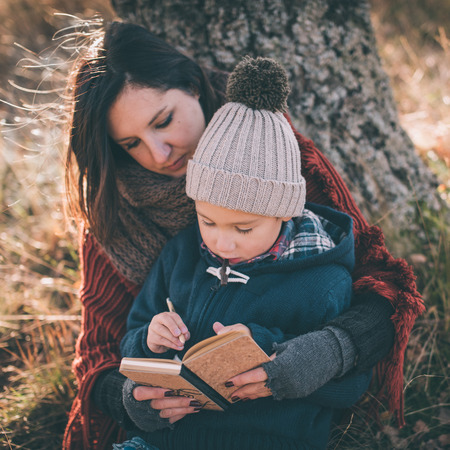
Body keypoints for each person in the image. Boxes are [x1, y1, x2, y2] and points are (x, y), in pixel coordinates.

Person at [62, 21, 424, 450]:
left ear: (194, 85)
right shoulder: (117, 207)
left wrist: (329, 351)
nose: (158, 154)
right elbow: (100, 351)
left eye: (164, 121)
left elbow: (382, 289)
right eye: (130, 143)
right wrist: (129, 400)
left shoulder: (280, 161)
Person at [117, 56, 373, 449]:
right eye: (208, 220)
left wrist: (273, 357)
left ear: (284, 213)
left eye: (244, 228)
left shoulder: (322, 281)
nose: (221, 242)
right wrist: (149, 344)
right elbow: (131, 336)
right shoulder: (182, 253)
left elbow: (348, 385)